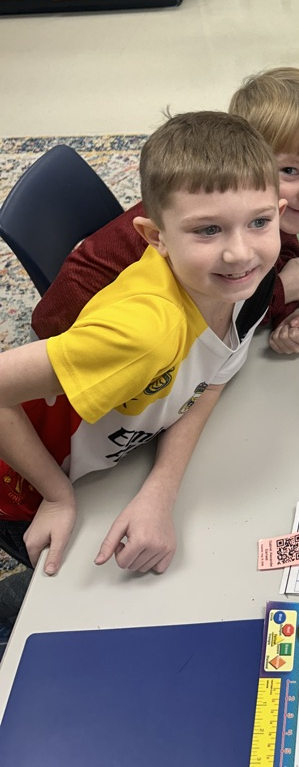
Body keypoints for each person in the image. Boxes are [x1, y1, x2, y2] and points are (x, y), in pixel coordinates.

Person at [0, 111, 284, 577]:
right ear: (157, 238)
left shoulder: (243, 281)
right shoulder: (144, 332)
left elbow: (211, 381)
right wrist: (55, 495)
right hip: (23, 479)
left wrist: (161, 488)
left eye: (259, 222)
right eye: (208, 230)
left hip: (107, 464)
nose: (240, 252)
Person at [32, 68, 299, 355]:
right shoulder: (194, 227)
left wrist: (293, 311)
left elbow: (282, 244)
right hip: (83, 334)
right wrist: (283, 292)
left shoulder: (243, 200)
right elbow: (204, 320)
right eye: (291, 171)